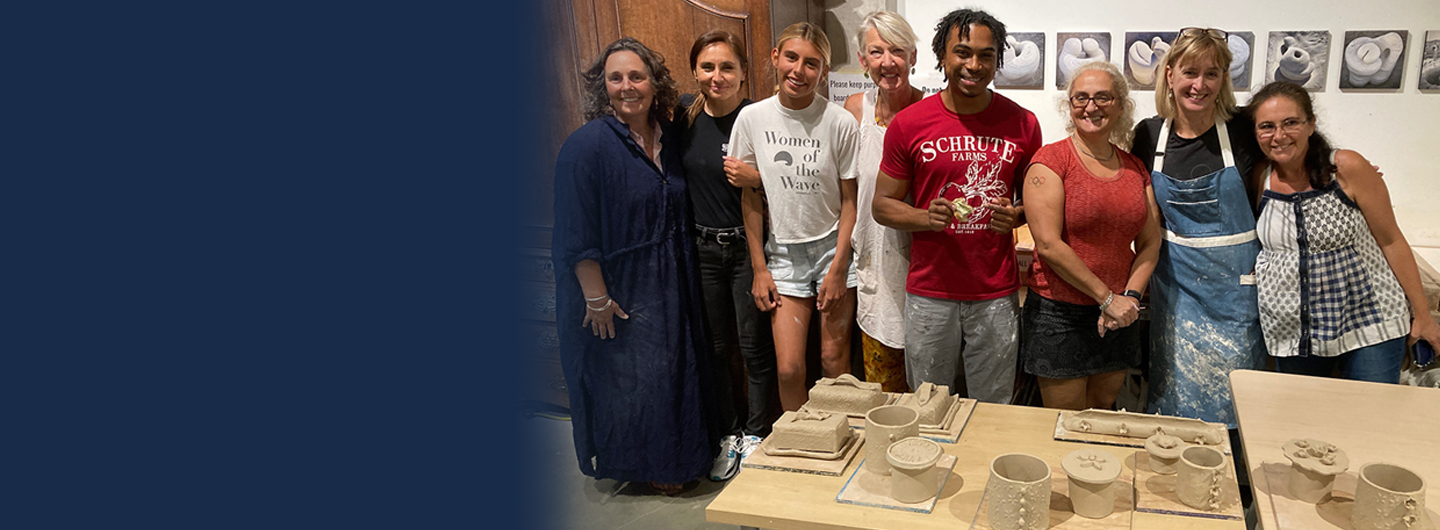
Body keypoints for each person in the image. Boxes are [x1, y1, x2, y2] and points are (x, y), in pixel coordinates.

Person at [551, 37, 709, 494]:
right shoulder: (586, 147)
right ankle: (650, 464)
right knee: (635, 381)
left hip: (672, 277)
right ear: (603, 86)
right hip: (622, 286)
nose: (626, 86)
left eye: (636, 76)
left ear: (652, 82)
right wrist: (596, 298)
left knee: (675, 370)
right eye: (615, 78)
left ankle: (681, 456)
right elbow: (576, 236)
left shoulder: (668, 132)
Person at [872, 8, 1041, 404]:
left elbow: (1036, 204)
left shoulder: (1024, 124)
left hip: (996, 293)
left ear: (998, 60)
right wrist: (923, 217)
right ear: (942, 57)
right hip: (931, 292)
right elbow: (882, 206)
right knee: (928, 404)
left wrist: (1015, 215)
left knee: (994, 406)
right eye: (962, 53)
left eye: (986, 55)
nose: (973, 65)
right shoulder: (910, 124)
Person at [1247, 81, 1440, 382]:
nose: (1279, 135)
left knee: (1367, 420)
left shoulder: (1346, 167)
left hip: (1369, 323)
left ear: (1311, 124)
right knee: (1306, 424)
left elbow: (1391, 240)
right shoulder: (1260, 178)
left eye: (1291, 123)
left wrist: (1423, 314)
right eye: (1267, 126)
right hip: (1295, 332)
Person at [1128, 27, 1266, 429]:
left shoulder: (1243, 129)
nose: (1199, 84)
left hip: (1237, 294)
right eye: (1190, 72)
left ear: (1224, 79)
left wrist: (1333, 167)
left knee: (1236, 400)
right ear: (1169, 74)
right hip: (1177, 293)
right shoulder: (1150, 135)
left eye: (1212, 73)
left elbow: (1294, 155)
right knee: (1175, 398)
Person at [729, 22, 860, 412]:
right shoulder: (752, 119)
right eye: (791, 57)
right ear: (775, 57)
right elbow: (750, 199)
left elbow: (850, 201)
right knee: (788, 369)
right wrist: (759, 267)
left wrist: (839, 266)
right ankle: (800, 448)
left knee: (835, 362)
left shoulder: (839, 122)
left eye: (812, 63)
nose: (799, 71)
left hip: (832, 249)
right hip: (783, 254)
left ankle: (842, 444)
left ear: (823, 71)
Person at [1020, 61, 1163, 410]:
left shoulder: (1134, 167)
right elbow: (1049, 244)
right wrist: (1106, 298)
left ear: (1120, 105)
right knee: (1064, 422)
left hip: (1120, 313)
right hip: (1060, 314)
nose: (1091, 106)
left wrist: (1128, 297)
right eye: (1080, 98)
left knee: (1102, 415)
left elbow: (1150, 241)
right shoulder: (1050, 161)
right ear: (1069, 106)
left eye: (1102, 97)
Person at [674, 30, 778, 482]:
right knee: (715, 351)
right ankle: (727, 434)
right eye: (708, 67)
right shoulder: (684, 116)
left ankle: (757, 435)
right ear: (695, 70)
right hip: (701, 248)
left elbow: (801, 186)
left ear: (743, 73)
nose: (717, 77)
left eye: (727, 67)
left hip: (746, 250)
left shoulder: (758, 119)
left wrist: (758, 176)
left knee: (755, 350)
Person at [842, 10, 922, 393]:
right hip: (876, 262)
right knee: (884, 389)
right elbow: (847, 195)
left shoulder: (933, 111)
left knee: (930, 387)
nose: (887, 62)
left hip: (927, 265)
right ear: (863, 59)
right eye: (876, 52)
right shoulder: (855, 111)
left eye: (897, 51)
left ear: (913, 57)